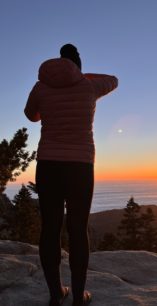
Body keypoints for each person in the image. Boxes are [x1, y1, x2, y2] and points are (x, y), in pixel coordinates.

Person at [24, 44, 118, 306]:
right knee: (78, 229)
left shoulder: (40, 86)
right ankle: (78, 297)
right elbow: (114, 80)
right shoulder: (89, 86)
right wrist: (80, 75)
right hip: (80, 166)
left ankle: (56, 294)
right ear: (78, 64)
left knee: (50, 229)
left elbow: (30, 115)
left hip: (48, 164)